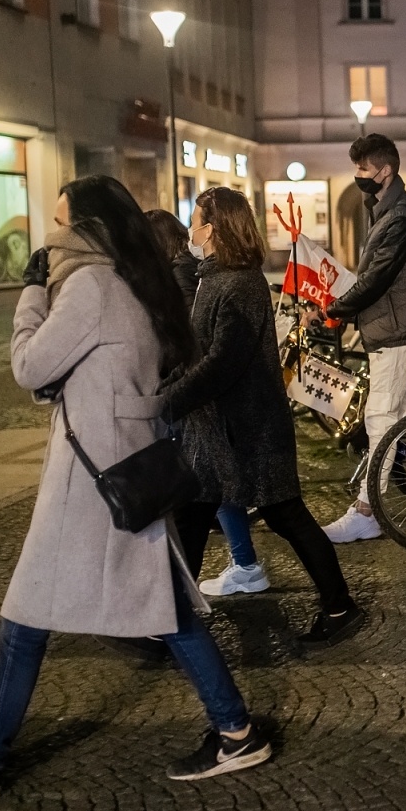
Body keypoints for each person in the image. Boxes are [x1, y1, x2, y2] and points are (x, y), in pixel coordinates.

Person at [0, 176, 270, 800]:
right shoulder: (136, 281)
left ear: (88, 229)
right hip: (121, 463)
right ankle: (235, 730)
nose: (52, 235)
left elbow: (29, 366)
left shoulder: (90, 286)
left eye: (61, 222)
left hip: (92, 474)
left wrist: (32, 292)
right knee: (159, 603)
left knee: (29, 611)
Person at [161, 186, 362, 646]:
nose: (191, 229)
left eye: (195, 220)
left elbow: (221, 363)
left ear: (212, 229)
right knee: (194, 518)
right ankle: (173, 623)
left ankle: (340, 605)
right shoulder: (215, 276)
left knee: (284, 514)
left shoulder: (239, 282)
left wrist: (172, 398)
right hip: (222, 429)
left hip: (250, 428)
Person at [320, 133, 406, 539]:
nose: (357, 175)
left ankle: (367, 511)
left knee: (380, 417)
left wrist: (335, 308)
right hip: (392, 328)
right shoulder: (384, 208)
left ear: (385, 171)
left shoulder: (399, 216)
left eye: (364, 169)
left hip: (397, 330)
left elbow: (378, 278)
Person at [145, 208, 269, 598]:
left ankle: (186, 588)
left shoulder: (183, 274)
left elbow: (192, 338)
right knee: (207, 489)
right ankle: (238, 565)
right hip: (187, 389)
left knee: (203, 490)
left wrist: (175, 383)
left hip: (189, 392)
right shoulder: (184, 270)